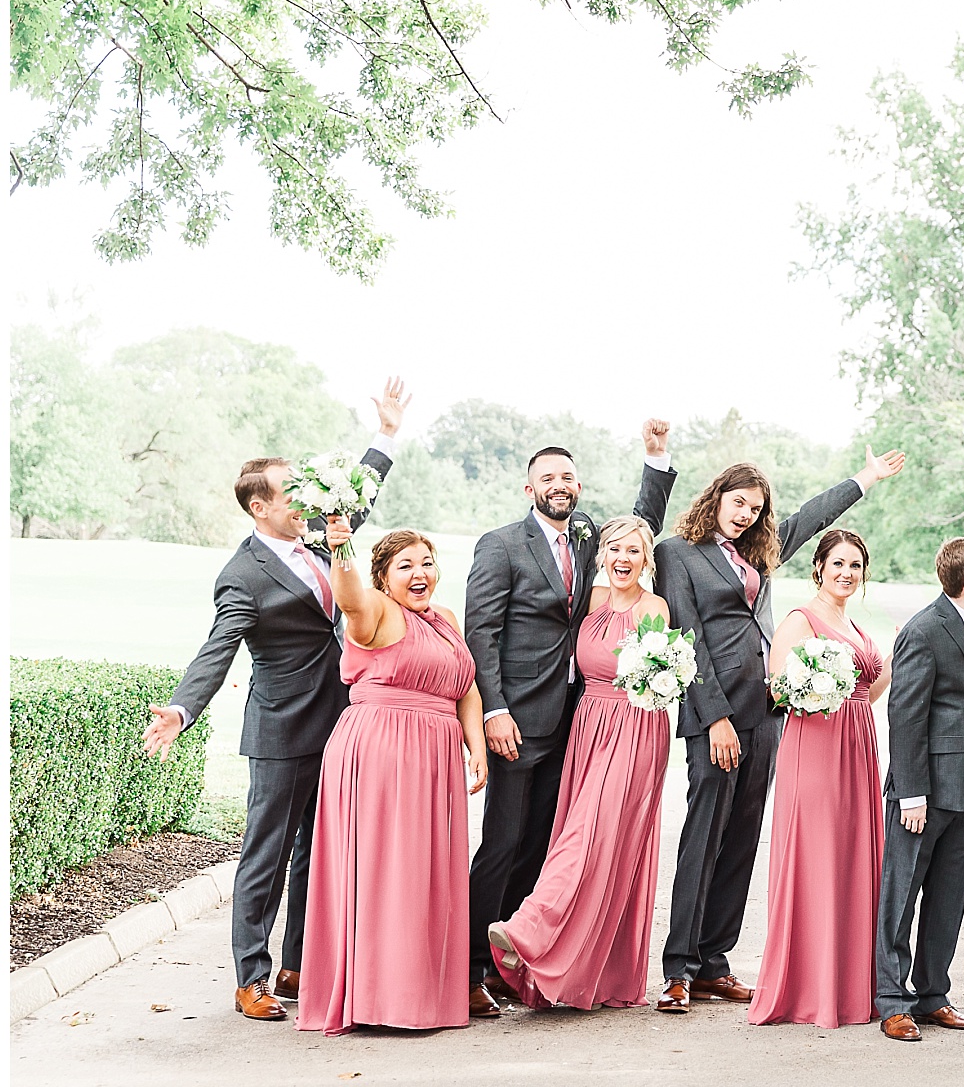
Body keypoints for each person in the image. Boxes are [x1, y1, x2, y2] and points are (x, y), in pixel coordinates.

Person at [141, 378, 408, 1022]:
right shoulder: (241, 574)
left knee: (317, 850)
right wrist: (182, 708)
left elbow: (358, 496)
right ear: (260, 508)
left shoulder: (322, 535)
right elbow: (218, 647)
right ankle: (251, 977)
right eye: (293, 492)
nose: (308, 499)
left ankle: (296, 964)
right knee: (266, 852)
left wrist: (387, 435)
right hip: (280, 731)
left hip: (340, 723)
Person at [652, 449, 905, 1013]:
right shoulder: (678, 554)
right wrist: (714, 717)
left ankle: (715, 961)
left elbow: (813, 518)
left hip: (768, 714)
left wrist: (866, 478)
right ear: (716, 497)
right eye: (737, 503)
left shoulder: (761, 553)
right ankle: (678, 968)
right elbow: (685, 637)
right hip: (715, 716)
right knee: (703, 836)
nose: (744, 515)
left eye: (755, 508)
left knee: (742, 840)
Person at [464, 423, 676, 1017]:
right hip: (517, 718)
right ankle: (467, 970)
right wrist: (496, 710)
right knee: (502, 842)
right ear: (528, 486)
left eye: (567, 476)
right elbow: (481, 632)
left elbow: (633, 537)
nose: (559, 485)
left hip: (576, 725)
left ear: (578, 485)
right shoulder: (501, 545)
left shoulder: (586, 539)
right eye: (547, 477)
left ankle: (515, 962)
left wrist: (655, 460)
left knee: (543, 844)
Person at [297, 523, 487, 1036]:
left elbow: (465, 686)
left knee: (425, 875)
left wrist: (477, 747)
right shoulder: (377, 612)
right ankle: (377, 997)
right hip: (383, 753)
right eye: (405, 566)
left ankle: (421, 994)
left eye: (426, 562)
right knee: (386, 870)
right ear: (383, 578)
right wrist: (341, 549)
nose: (419, 573)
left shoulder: (446, 618)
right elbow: (350, 598)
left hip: (436, 758)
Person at [748, 529, 892, 1029]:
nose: (847, 573)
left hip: (857, 748)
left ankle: (853, 984)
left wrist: (849, 705)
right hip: (815, 751)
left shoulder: (853, 625)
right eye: (838, 564)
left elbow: (870, 690)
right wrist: (824, 698)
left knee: (854, 859)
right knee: (819, 857)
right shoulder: (800, 620)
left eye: (856, 565)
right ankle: (811, 988)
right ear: (819, 568)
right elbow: (780, 689)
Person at [874, 538, 964, 1043]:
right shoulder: (924, 630)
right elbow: (904, 714)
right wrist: (911, 793)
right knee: (901, 897)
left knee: (948, 899)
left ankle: (933, 995)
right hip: (923, 792)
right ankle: (892, 1001)